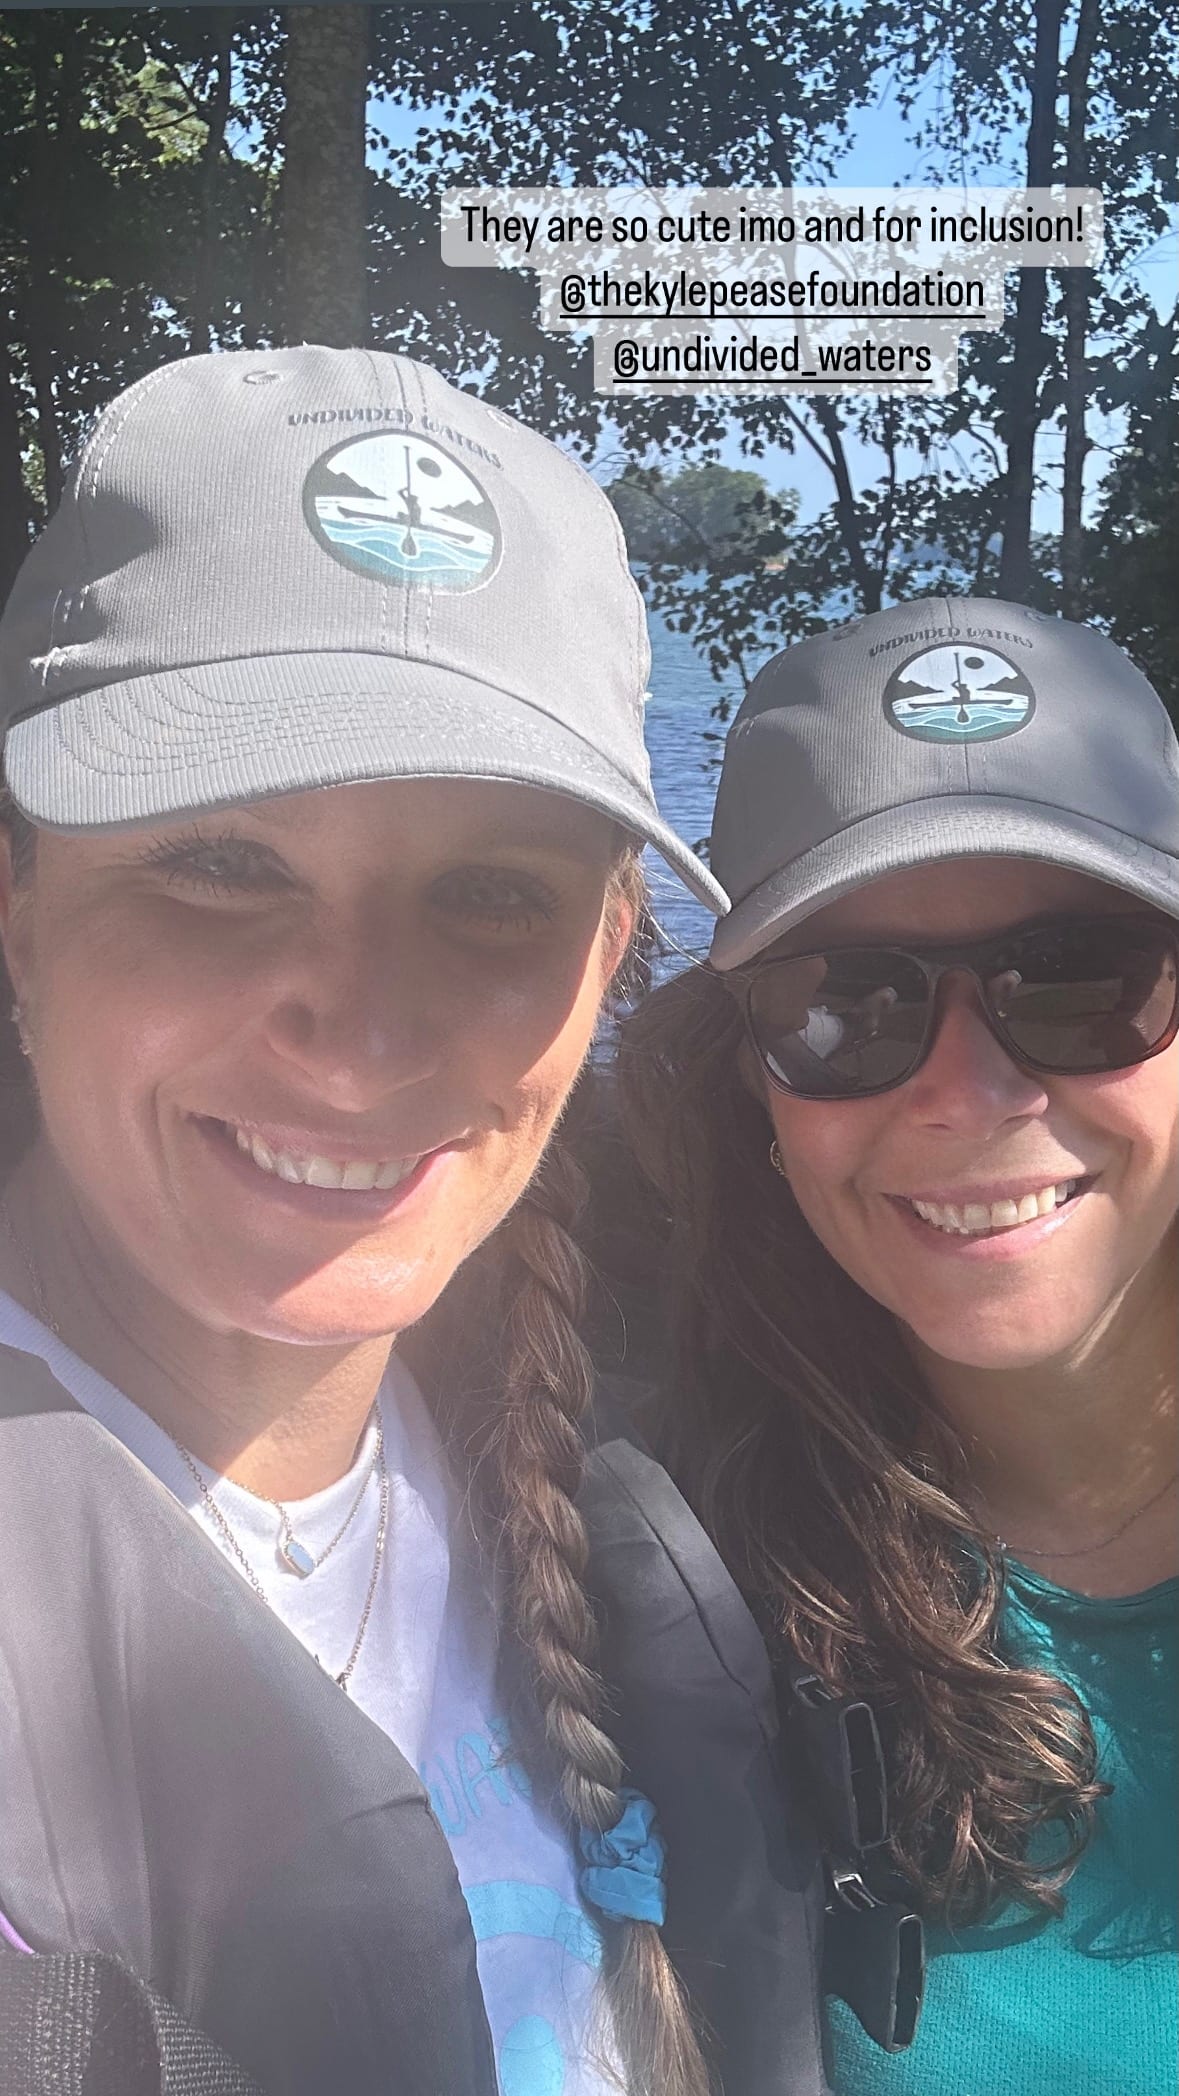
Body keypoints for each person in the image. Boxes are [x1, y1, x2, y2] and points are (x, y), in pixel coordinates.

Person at [0, 343, 744, 2096]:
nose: (365, 1026)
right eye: (221, 862)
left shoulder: (602, 1452)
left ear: (612, 954)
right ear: (19, 910)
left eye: (490, 896)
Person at [619, 598, 1179, 2096]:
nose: (970, 1091)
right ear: (751, 1082)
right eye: (846, 1006)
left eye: (1079, 978)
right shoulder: (676, 1599)